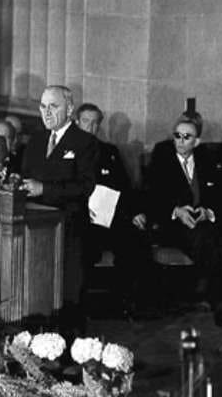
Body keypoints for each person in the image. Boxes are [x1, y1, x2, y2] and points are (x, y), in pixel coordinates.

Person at [132, 116, 222, 327]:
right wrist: (176, 211)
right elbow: (150, 197)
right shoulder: (162, 160)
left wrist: (209, 212)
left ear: (196, 141)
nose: (180, 141)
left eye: (187, 137)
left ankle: (211, 297)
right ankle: (219, 301)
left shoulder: (207, 159)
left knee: (205, 235)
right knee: (206, 240)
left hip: (203, 222)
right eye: (177, 136)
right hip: (171, 225)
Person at [20, 85, 99, 312]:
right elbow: (26, 173)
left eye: (53, 106)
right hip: (35, 227)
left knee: (68, 295)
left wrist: (44, 188)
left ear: (70, 109)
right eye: (43, 106)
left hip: (69, 227)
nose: (46, 112)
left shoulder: (85, 142)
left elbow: (85, 186)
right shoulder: (36, 139)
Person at [74, 103, 143, 317]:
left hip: (111, 217)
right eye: (86, 121)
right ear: (77, 123)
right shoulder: (67, 150)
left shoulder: (109, 151)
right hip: (82, 217)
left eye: (95, 123)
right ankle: (80, 305)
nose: (90, 127)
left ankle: (125, 302)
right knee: (81, 245)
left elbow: (125, 188)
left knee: (133, 239)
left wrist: (134, 213)